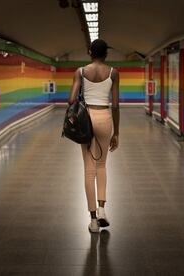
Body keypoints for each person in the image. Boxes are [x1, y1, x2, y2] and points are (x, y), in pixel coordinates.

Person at [68, 39, 120, 233]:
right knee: (102, 165)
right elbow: (115, 105)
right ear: (106, 54)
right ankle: (102, 209)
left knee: (89, 169)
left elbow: (71, 100)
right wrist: (117, 132)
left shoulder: (80, 72)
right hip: (105, 117)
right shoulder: (114, 73)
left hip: (86, 120)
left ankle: (92, 221)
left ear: (90, 53)